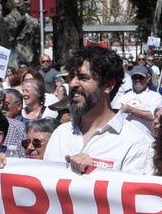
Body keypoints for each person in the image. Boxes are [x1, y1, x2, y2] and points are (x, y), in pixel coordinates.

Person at [45, 46, 154, 176]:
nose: (73, 84)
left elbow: (133, 194)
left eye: (83, 78)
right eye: (71, 77)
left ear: (108, 85)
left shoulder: (135, 142)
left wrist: (95, 172)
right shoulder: (60, 135)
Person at [113, 64, 162, 132]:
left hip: (146, 138)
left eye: (141, 77)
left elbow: (154, 116)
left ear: (148, 78)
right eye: (135, 77)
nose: (137, 80)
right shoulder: (124, 97)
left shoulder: (156, 97)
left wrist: (131, 110)